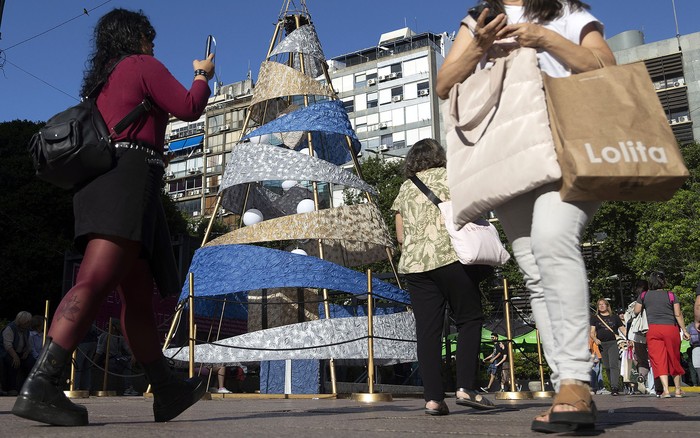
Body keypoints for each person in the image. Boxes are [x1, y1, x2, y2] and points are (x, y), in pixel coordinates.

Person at [12, 8, 214, 426]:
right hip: (127, 182)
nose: (152, 42)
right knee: (95, 280)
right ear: (132, 37)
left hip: (107, 183)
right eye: (147, 35)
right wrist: (202, 74)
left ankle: (166, 389)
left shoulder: (103, 80)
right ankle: (41, 383)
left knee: (137, 297)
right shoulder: (141, 65)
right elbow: (189, 106)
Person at [436, 0, 615, 433]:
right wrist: (478, 47)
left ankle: (575, 382)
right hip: (509, 152)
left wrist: (544, 39)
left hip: (568, 142)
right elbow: (444, 84)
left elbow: (605, 64)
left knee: (555, 240)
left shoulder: (567, 11)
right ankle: (566, 390)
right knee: (535, 271)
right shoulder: (479, 17)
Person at [391, 138, 495, 416]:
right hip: (452, 259)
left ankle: (433, 399)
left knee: (427, 333)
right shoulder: (454, 177)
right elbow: (476, 210)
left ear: (412, 160)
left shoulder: (405, 187)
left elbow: (400, 235)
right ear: (439, 156)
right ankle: (465, 388)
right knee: (470, 320)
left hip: (416, 267)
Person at [633, 271, 690, 398]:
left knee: (658, 359)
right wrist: (685, 330)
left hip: (653, 330)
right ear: (663, 281)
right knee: (674, 358)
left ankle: (666, 390)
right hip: (671, 329)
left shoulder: (644, 295)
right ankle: (678, 390)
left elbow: (636, 310)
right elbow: (678, 314)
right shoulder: (671, 295)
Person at [591, 298, 626, 396]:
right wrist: (595, 339)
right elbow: (592, 332)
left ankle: (615, 387)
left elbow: (622, 329)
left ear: (607, 306)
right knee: (607, 367)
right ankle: (612, 385)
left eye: (603, 304)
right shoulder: (595, 318)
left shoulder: (614, 317)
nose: (601, 306)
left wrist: (630, 338)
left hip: (612, 343)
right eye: (599, 305)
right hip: (602, 345)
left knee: (613, 365)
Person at [1, 311, 35, 395]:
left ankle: (28, 388)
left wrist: (27, 352)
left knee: (31, 362)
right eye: (26, 322)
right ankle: (12, 388)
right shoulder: (10, 328)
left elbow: (30, 344)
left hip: (22, 353)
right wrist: (15, 356)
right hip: (9, 352)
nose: (28, 324)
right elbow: (7, 345)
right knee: (12, 362)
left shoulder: (27, 330)